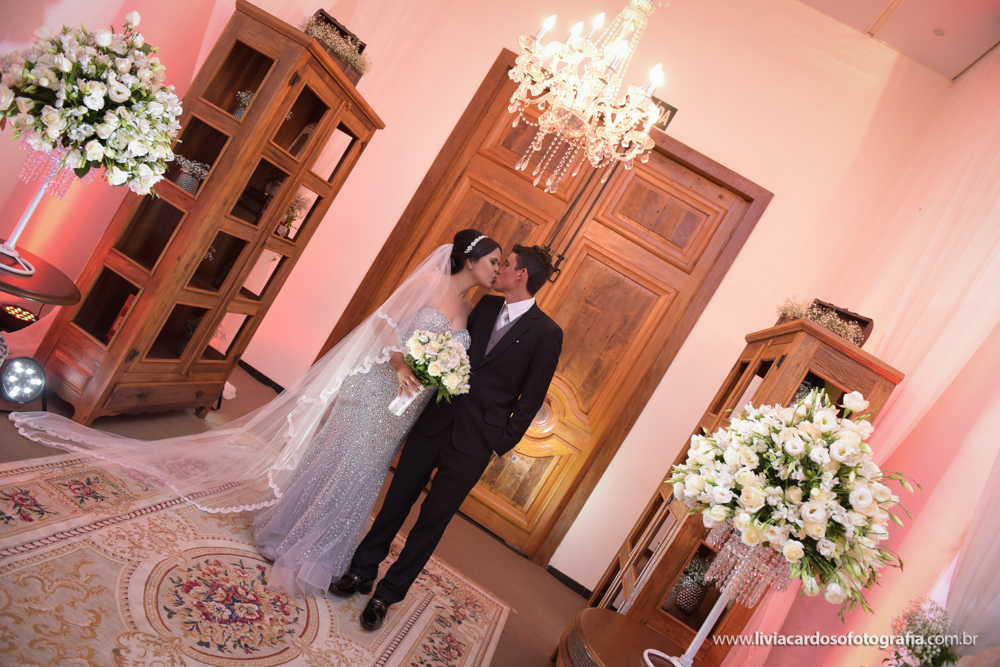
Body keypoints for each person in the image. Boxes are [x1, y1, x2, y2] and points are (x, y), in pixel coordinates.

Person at [9, 229, 502, 599]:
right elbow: (384, 325)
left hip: (404, 409)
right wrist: (398, 361)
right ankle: (292, 534)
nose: (498, 270)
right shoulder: (429, 284)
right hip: (375, 389)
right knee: (340, 461)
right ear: (470, 258)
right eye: (493, 261)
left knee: (364, 474)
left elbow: (452, 361)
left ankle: (326, 546)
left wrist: (440, 376)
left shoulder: (469, 309)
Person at [330, 244, 563, 631]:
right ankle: (362, 571)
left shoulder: (547, 333)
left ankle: (387, 595)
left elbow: (531, 400)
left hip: (476, 443)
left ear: (521, 275)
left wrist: (497, 445)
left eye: (506, 265)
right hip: (435, 420)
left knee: (431, 523)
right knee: (396, 501)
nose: (499, 270)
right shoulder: (485, 306)